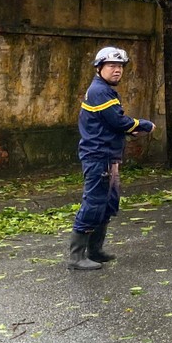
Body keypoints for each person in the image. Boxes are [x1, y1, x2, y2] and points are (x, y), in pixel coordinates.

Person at [67, 46, 155, 271]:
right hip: (99, 156)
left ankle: (95, 250)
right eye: (112, 66)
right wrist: (143, 125)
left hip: (108, 156)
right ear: (99, 68)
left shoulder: (104, 90)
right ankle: (76, 257)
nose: (117, 70)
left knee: (107, 204)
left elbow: (109, 123)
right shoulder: (99, 91)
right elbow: (117, 121)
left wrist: (127, 130)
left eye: (120, 66)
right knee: (94, 202)